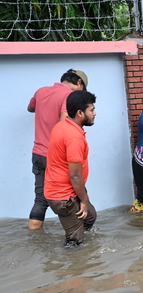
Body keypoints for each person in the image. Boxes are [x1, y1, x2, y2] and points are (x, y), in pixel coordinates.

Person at [27, 69, 89, 230]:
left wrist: (44, 107)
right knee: (75, 196)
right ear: (79, 83)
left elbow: (30, 108)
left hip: (38, 154)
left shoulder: (41, 91)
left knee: (40, 200)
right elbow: (64, 124)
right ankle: (78, 243)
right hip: (57, 157)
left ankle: (34, 238)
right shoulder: (68, 96)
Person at [44, 90, 97, 247]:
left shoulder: (61, 125)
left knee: (90, 217)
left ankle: (80, 235)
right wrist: (84, 200)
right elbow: (74, 176)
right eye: (92, 110)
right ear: (80, 113)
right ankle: (72, 267)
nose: (95, 113)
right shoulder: (74, 137)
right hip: (63, 196)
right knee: (75, 241)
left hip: (69, 189)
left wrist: (83, 199)